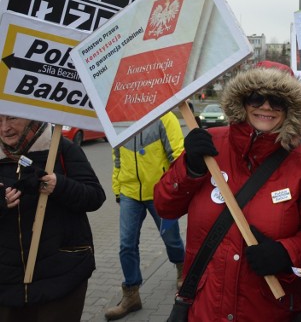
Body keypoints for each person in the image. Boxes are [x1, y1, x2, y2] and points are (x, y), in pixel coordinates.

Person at [154, 66, 301, 321]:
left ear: (289, 108)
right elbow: (165, 206)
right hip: (206, 307)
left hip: (270, 309)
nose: (266, 106)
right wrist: (190, 169)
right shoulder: (209, 145)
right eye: (256, 97)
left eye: (277, 100)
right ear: (242, 101)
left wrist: (287, 252)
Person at [0, 116, 106, 322]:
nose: (5, 128)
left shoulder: (62, 148)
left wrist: (61, 186)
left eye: (12, 118)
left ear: (30, 116)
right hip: (7, 283)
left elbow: (95, 197)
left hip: (62, 276)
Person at [105, 111, 186, 320]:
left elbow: (178, 156)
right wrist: (117, 189)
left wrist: (174, 191)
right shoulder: (118, 120)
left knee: (172, 240)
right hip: (129, 194)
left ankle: (182, 268)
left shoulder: (164, 116)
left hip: (160, 193)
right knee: (126, 244)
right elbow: (117, 159)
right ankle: (131, 295)